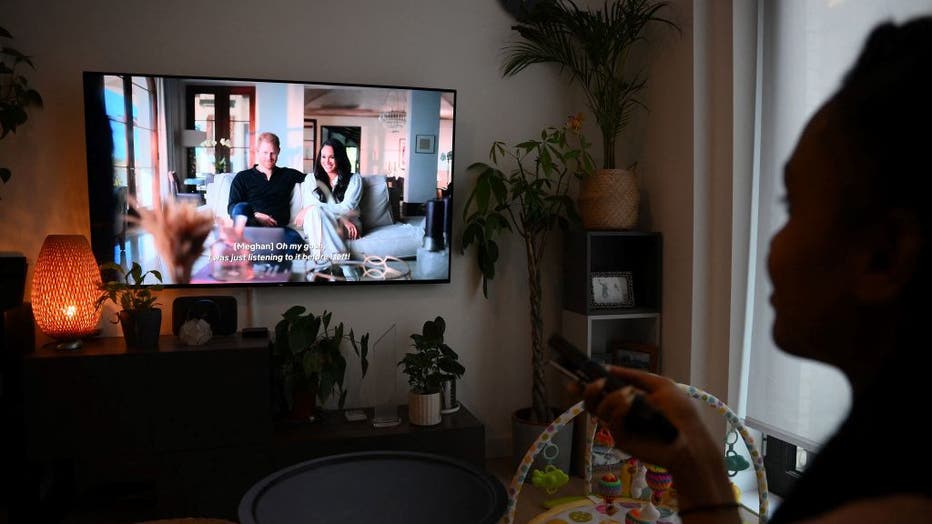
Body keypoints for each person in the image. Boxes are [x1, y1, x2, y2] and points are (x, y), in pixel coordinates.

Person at [573, 17, 932, 523]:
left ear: (883, 255)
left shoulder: (887, 507)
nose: (771, 246)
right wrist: (694, 460)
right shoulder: (881, 453)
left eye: (792, 206)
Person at [227, 132, 306, 266]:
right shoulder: (242, 177)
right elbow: (231, 207)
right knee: (240, 207)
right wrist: (255, 215)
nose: (269, 157)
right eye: (264, 153)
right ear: (257, 151)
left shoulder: (287, 175)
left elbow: (316, 180)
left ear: (278, 152)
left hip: (278, 230)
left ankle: (265, 264)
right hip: (251, 228)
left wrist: (310, 207)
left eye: (272, 153)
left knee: (296, 242)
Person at [295, 139, 363, 264]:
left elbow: (347, 207)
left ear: (340, 158)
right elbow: (311, 205)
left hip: (349, 223)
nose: (326, 161)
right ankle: (342, 265)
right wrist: (311, 208)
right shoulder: (311, 179)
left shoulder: (355, 179)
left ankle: (321, 266)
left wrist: (310, 208)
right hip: (317, 219)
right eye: (324, 156)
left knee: (314, 212)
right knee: (314, 213)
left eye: (332, 157)